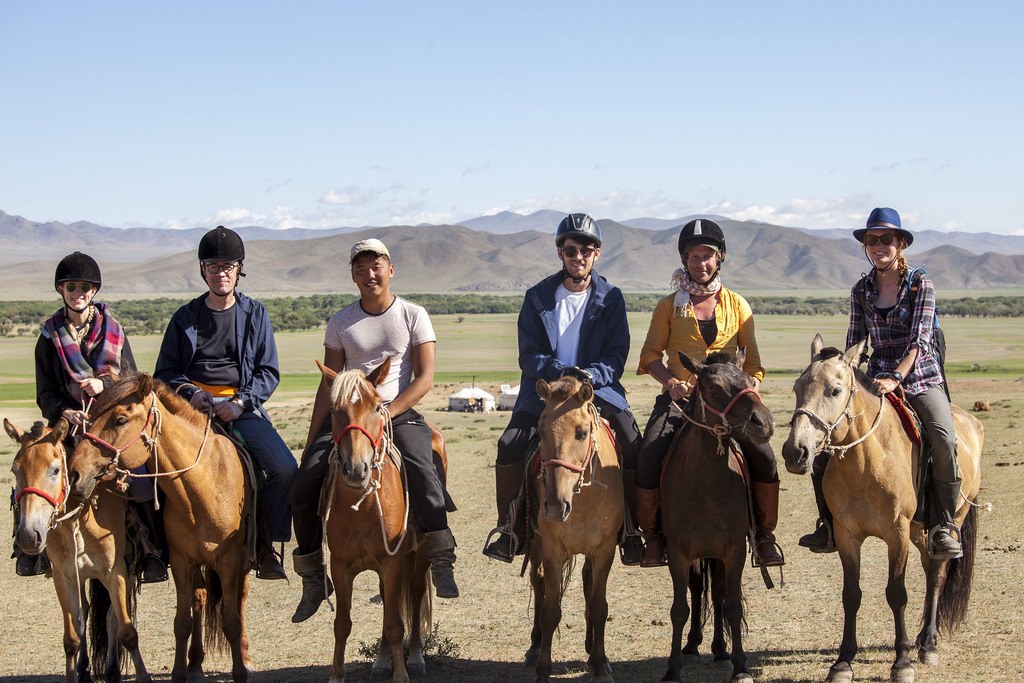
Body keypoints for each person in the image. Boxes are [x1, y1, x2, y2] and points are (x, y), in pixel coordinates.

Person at [290, 238, 459, 622]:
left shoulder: (413, 315)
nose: (370, 274)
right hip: (350, 417)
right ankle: (313, 576)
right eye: (361, 268)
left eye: (376, 266)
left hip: (396, 410)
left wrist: (389, 410)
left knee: (422, 464)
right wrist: (314, 437)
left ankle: (440, 553)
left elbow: (426, 376)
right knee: (303, 485)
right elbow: (329, 384)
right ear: (353, 275)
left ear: (391, 269)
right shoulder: (341, 322)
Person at [799, 207, 963, 559]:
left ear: (900, 243)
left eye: (885, 238)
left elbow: (920, 341)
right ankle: (828, 524)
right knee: (829, 435)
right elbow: (855, 343)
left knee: (944, 437)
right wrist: (842, 370)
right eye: (871, 240)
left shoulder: (920, 284)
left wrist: (898, 377)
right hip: (873, 378)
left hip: (919, 376)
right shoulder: (861, 289)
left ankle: (944, 526)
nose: (878, 245)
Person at [483, 213, 644, 565]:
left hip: (596, 391)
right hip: (544, 393)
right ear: (560, 252)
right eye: (571, 249)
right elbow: (529, 355)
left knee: (633, 443)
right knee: (509, 444)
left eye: (587, 249)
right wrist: (560, 374)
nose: (579, 255)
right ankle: (510, 528)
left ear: (597, 253)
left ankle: (634, 529)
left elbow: (616, 355)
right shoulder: (538, 297)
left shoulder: (611, 298)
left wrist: (589, 377)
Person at [634, 219, 785, 568]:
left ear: (719, 259)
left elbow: (755, 366)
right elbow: (649, 358)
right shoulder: (668, 306)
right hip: (681, 402)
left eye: (707, 256)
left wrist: (749, 393)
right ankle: (654, 535)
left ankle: (764, 535)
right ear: (684, 260)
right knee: (648, 454)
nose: (700, 263)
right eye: (693, 256)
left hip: (729, 404)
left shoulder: (738, 306)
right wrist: (671, 383)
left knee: (763, 454)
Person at [154, 226, 296, 580]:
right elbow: (166, 372)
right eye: (214, 266)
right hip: (192, 412)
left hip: (240, 406)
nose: (221, 273)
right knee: (150, 470)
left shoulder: (255, 314)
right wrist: (192, 394)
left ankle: (267, 547)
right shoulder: (185, 317)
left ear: (239, 268)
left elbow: (268, 371)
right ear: (203, 270)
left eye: (228, 266)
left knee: (284, 469)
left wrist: (242, 402)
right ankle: (154, 551)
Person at [25, 252, 167, 582]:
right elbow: (45, 391)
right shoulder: (49, 337)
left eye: (85, 286)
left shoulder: (114, 331)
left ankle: (151, 548)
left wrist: (102, 382)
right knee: (31, 467)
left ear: (94, 290)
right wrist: (64, 411)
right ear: (61, 289)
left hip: (107, 425)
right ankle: (31, 550)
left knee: (145, 473)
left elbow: (130, 379)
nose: (79, 292)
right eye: (71, 285)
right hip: (66, 424)